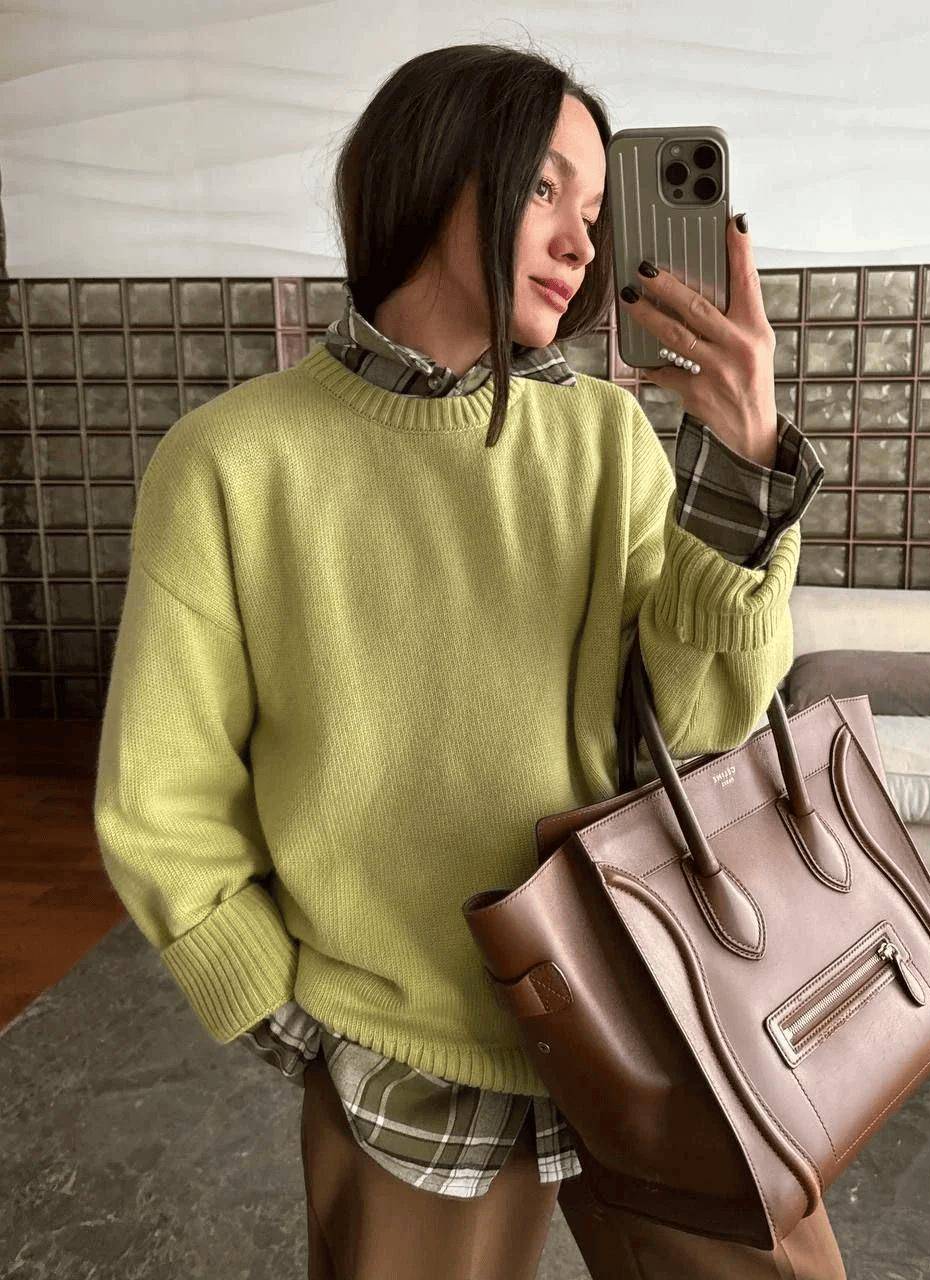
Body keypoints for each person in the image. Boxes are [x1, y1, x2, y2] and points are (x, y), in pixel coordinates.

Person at [93, 38, 842, 1280]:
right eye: (544, 187)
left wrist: (743, 465)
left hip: (652, 996)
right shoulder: (229, 461)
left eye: (594, 212)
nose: (580, 242)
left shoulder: (605, 434)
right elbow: (160, 794)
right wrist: (286, 1008)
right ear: (428, 173)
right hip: (408, 1049)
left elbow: (698, 723)